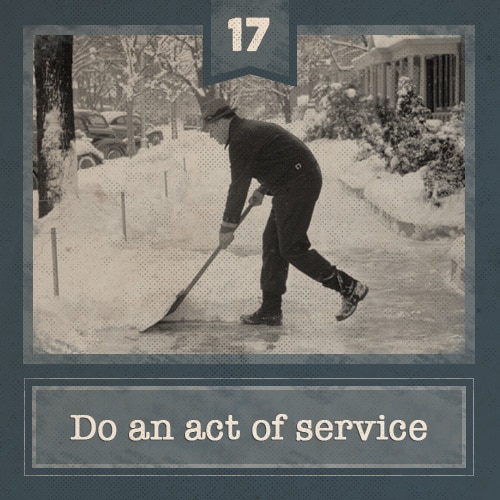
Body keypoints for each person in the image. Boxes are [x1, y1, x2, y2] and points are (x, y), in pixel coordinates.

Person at [201, 98, 368, 325]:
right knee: (272, 242)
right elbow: (279, 158)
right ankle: (270, 309)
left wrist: (227, 227)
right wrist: (263, 188)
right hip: (293, 181)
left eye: (210, 129)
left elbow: (238, 186)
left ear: (221, 122)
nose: (211, 135)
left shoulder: (241, 138)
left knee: (291, 246)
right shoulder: (245, 131)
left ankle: (349, 287)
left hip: (298, 182)